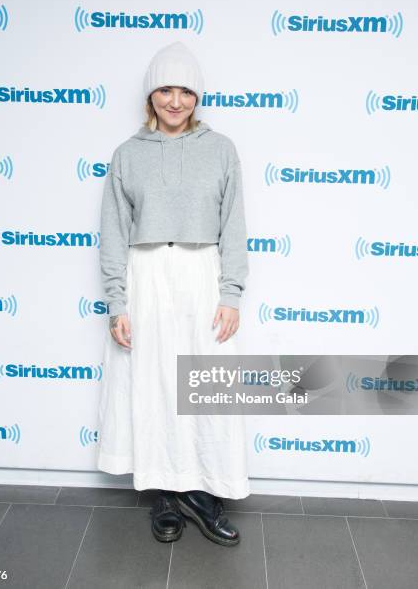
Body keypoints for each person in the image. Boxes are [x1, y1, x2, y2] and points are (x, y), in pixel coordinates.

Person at [97, 40, 250, 547]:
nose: (176, 101)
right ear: (151, 95)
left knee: (205, 384)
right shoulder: (127, 154)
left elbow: (235, 226)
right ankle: (164, 493)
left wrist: (230, 293)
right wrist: (117, 301)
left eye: (186, 90)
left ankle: (205, 493)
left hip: (200, 269)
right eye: (166, 89)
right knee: (152, 382)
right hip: (146, 273)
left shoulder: (222, 148)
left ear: (197, 96)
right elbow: (114, 231)